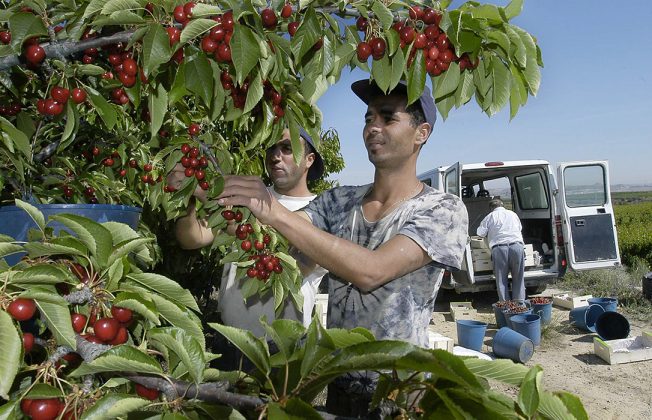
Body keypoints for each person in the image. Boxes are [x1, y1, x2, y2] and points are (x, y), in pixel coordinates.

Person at [215, 80, 468, 416]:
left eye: (388, 118)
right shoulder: (339, 201)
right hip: (337, 380)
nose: (373, 127)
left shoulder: (443, 209)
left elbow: (372, 271)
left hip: (398, 390)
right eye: (368, 118)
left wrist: (274, 211)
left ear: (421, 133)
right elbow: (276, 241)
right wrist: (214, 196)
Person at [169, 127, 327, 370]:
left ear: (309, 159)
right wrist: (186, 199)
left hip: (281, 350)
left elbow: (293, 266)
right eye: (272, 148)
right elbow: (193, 238)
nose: (276, 156)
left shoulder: (322, 211)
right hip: (229, 340)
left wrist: (207, 195)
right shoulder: (248, 195)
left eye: (287, 148)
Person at [476, 198, 525, 301]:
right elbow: (519, 228)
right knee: (518, 278)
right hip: (517, 247)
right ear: (502, 205)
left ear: (491, 208)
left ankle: (505, 306)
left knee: (501, 280)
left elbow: (480, 233)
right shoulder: (513, 214)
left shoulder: (489, 217)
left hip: (499, 249)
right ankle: (520, 305)